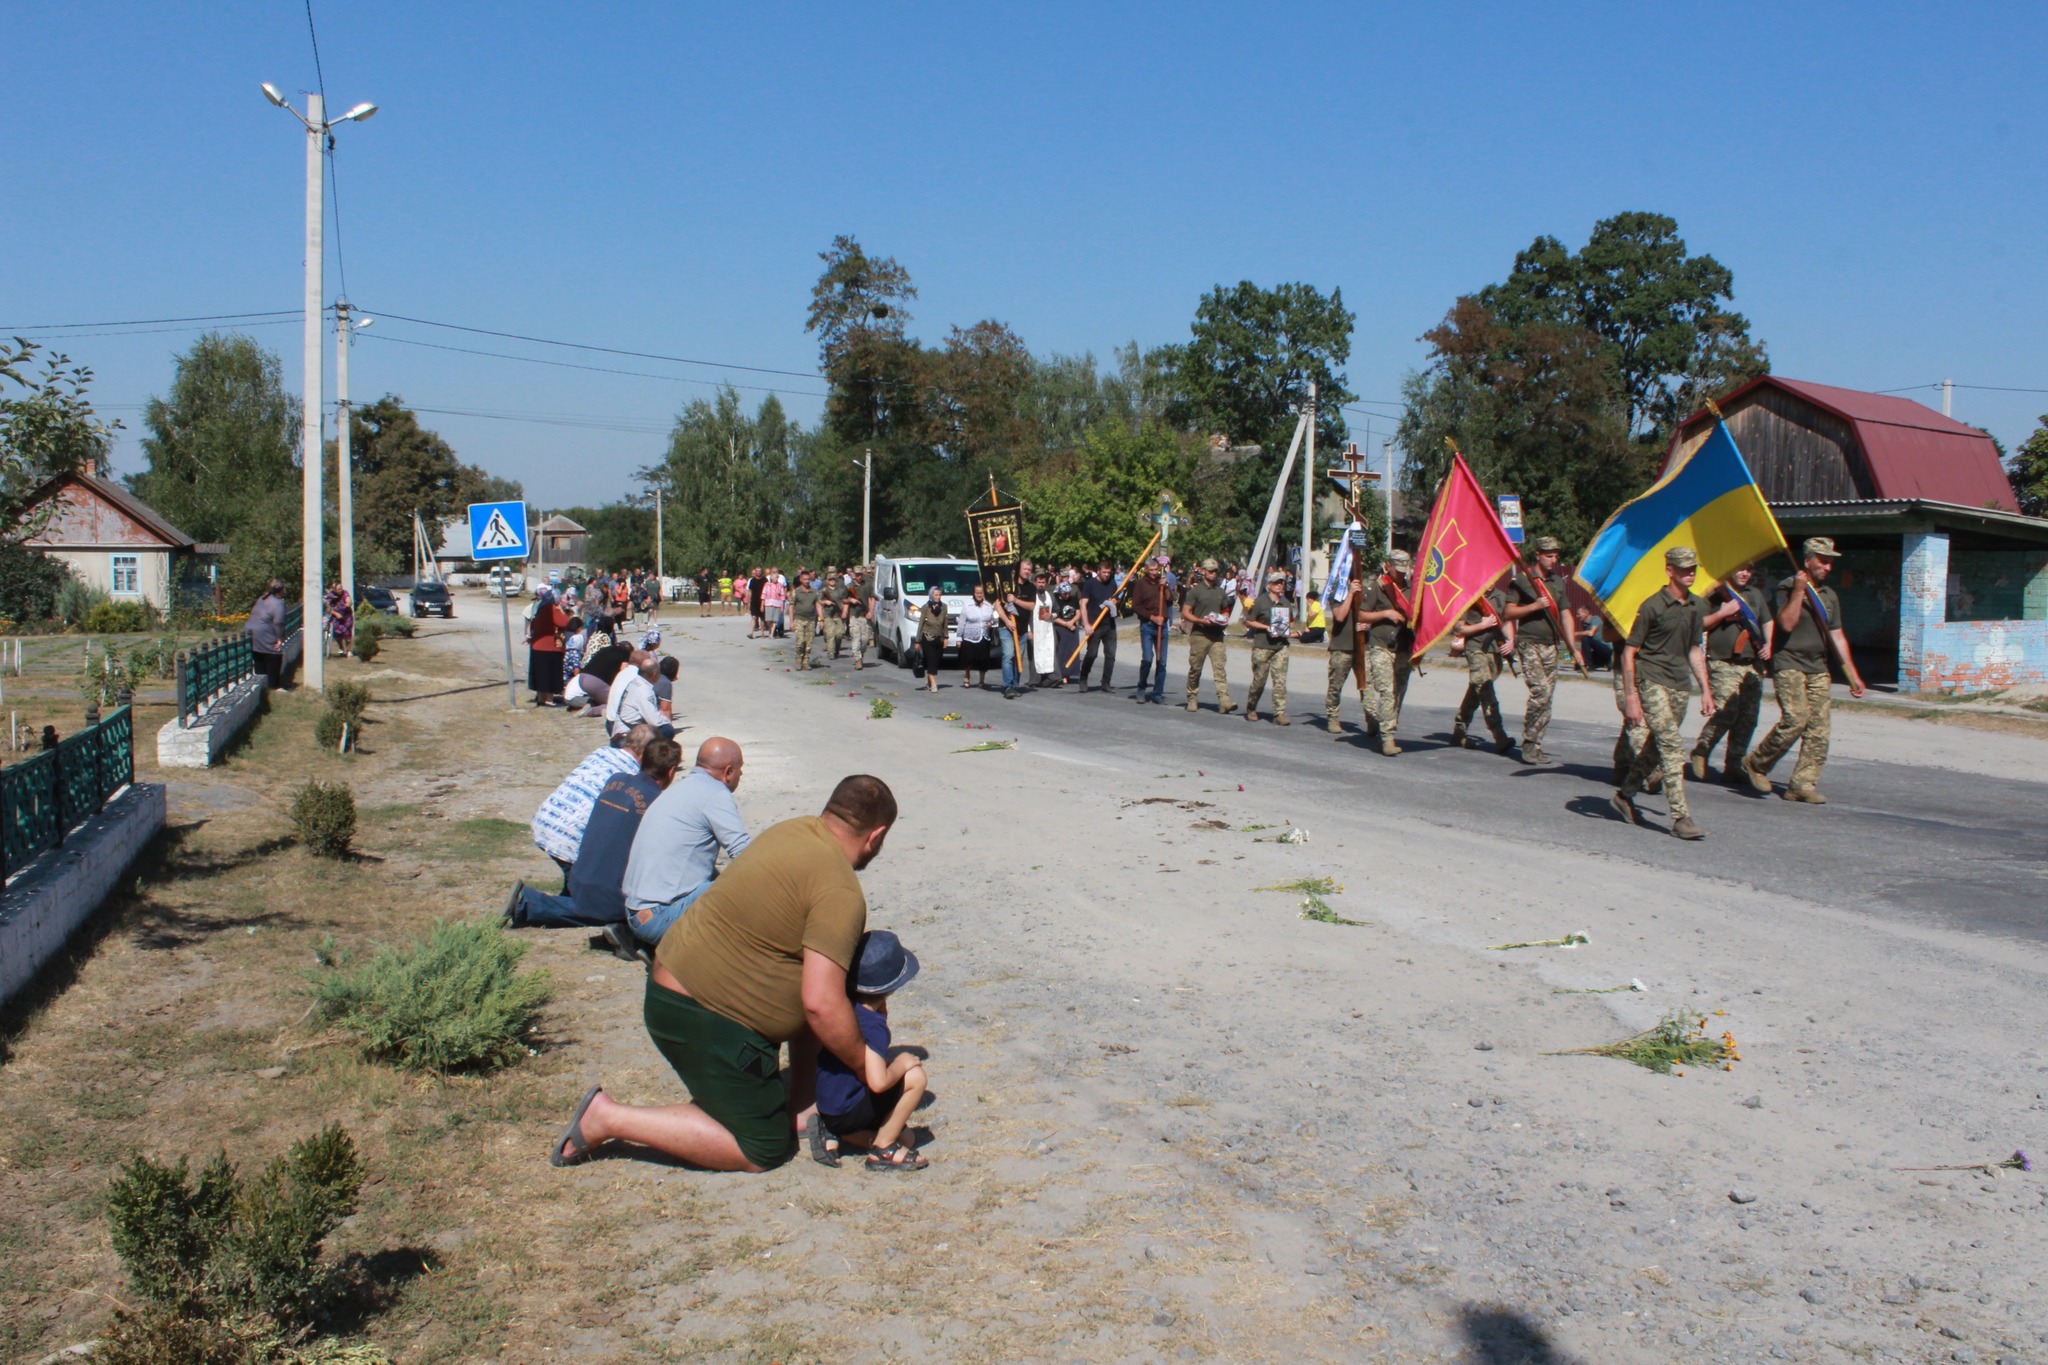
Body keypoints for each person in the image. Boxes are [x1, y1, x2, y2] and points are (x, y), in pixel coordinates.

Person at [550, 775, 899, 1174]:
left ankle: (802, 1107)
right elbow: (821, 1004)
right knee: (762, 1149)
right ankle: (607, 1118)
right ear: (877, 835)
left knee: (816, 975)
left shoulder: (793, 831)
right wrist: (864, 1065)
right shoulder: (841, 890)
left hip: (683, 984)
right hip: (699, 1014)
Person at [509, 736, 683, 953]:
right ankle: (528, 904)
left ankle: (617, 928)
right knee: (622, 912)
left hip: (580, 870)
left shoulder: (616, 780)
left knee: (595, 903)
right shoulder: (658, 803)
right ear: (671, 771)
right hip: (608, 891)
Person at [1742, 538, 1866, 802]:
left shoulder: (1829, 596)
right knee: (1796, 719)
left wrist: (1852, 676)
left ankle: (1801, 784)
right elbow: (1786, 624)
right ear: (1807, 560)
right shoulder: (1787, 587)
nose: (1827, 567)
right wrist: (1799, 590)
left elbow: (1838, 636)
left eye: (1830, 562)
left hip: (1818, 666)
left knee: (1819, 729)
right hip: (1789, 664)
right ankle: (1757, 763)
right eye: (1822, 561)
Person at [1611, 546, 1713, 840]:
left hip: (1679, 685)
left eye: (1692, 568)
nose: (1689, 573)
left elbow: (1695, 649)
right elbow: (1629, 652)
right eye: (1683, 568)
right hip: (1651, 680)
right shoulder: (1653, 606)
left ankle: (1624, 795)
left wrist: (1705, 689)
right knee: (1671, 747)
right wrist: (1631, 697)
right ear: (1669, 570)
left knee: (1655, 747)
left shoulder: (1697, 606)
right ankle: (1681, 818)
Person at [809, 930, 929, 1170]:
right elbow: (877, 1083)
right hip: (846, 1110)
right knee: (915, 1077)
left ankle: (835, 1132)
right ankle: (883, 1149)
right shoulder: (873, 1027)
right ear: (893, 986)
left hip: (829, 1103)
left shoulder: (842, 1006)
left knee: (907, 1138)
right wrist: (902, 1063)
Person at [620, 737, 751, 945]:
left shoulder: (678, 790)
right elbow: (745, 855)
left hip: (634, 911)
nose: (741, 774)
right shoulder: (716, 794)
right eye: (739, 769)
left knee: (719, 879)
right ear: (728, 772)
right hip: (660, 917)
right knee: (745, 888)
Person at [524, 723, 658, 892]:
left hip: (547, 819)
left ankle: (542, 907)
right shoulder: (631, 775)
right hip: (571, 834)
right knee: (586, 895)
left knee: (574, 885)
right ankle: (528, 904)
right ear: (646, 752)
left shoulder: (601, 752)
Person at [1501, 536, 1583, 766]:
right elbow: (1508, 612)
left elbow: (1565, 613)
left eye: (1556, 555)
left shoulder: (1557, 582)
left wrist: (1573, 646)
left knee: (1548, 698)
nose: (1553, 560)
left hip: (1551, 645)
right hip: (1530, 643)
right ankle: (1528, 742)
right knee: (1541, 692)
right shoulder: (1523, 580)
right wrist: (1534, 606)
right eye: (1548, 555)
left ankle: (1536, 745)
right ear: (1537, 554)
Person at [1690, 564, 1773, 783]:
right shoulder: (1716, 593)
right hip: (1723, 662)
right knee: (1726, 711)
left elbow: (1767, 620)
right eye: (1740, 569)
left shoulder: (1754, 595)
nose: (1745, 574)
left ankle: (1734, 762)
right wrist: (1722, 613)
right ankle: (1702, 750)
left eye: (1749, 570)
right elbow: (1699, 625)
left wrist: (1769, 644)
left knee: (1748, 716)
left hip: (1751, 664)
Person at [1356, 550, 1415, 755]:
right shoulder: (1378, 587)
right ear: (1387, 565)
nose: (1401, 574)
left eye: (1404, 569)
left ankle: (1387, 727)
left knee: (1398, 692)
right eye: (1397, 569)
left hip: (1404, 647)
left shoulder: (1412, 588)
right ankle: (1387, 738)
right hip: (1381, 646)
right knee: (1387, 691)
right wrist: (1386, 613)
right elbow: (1361, 614)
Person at [1451, 586, 1514, 752]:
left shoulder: (1501, 596)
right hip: (1475, 647)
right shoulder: (1469, 595)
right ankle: (1499, 736)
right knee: (1485, 690)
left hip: (1495, 650)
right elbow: (1458, 628)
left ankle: (1460, 729)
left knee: (1476, 690)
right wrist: (1482, 625)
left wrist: (1510, 641)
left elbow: (1506, 622)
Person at [1181, 558, 1236, 714]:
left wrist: (1224, 618)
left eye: (1215, 571)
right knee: (1195, 668)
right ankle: (1192, 697)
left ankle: (1224, 700)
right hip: (1199, 635)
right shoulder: (1196, 591)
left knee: (1220, 668)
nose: (1213, 573)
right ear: (1203, 571)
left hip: (1216, 635)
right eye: (1210, 571)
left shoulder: (1220, 591)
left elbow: (1225, 609)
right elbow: (1186, 612)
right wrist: (1200, 620)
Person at [1242, 570, 1294, 725]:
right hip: (1262, 646)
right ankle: (1251, 707)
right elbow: (1249, 621)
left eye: (1281, 582)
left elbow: (1291, 621)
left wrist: (1287, 629)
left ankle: (1279, 713)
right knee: (1259, 680)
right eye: (1277, 582)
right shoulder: (1260, 602)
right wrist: (1266, 627)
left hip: (1281, 646)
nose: (1280, 585)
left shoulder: (1285, 602)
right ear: (1269, 585)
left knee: (1280, 681)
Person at [1323, 563, 1365, 735]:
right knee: (1335, 686)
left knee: (1366, 686)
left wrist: (1367, 625)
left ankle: (1372, 719)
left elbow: (1369, 614)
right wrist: (1351, 593)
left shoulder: (1366, 591)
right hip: (1342, 647)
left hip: (1361, 646)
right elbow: (1340, 616)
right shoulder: (1337, 593)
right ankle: (1333, 717)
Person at [1130, 557, 1170, 704]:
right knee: (1148, 659)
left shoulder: (1162, 582)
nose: (1154, 572)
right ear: (1146, 570)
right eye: (1151, 570)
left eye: (1156, 569)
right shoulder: (1140, 584)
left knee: (1162, 661)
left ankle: (1157, 693)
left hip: (1163, 627)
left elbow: (1170, 600)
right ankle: (1141, 688)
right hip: (1148, 626)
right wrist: (1152, 617)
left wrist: (1165, 587)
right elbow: (1136, 606)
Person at [1076, 561, 1120, 693]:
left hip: (1109, 624)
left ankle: (1106, 682)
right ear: (1099, 571)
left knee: (1111, 655)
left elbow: (1116, 599)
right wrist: (1086, 624)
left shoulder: (1112, 583)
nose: (1107, 575)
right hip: (1094, 624)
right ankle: (1083, 678)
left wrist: (1114, 602)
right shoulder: (1090, 584)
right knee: (1092, 654)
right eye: (1104, 572)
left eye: (1109, 572)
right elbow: (1083, 604)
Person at [605, 649, 665, 742]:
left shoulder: (623, 673)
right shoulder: (638, 679)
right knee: (664, 731)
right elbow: (652, 717)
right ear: (642, 664)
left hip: (611, 721)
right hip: (623, 726)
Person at [527, 588, 571, 707]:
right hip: (550, 647)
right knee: (550, 673)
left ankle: (541, 698)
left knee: (540, 674)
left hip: (537, 646)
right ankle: (549, 699)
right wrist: (561, 610)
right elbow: (564, 623)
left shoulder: (540, 608)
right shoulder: (552, 609)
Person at [248, 580, 288, 687]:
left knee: (259, 656)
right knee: (274, 654)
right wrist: (279, 637)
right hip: (266, 633)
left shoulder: (261, 599)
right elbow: (278, 622)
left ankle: (261, 684)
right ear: (281, 591)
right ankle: (273, 685)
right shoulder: (278, 603)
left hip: (252, 633)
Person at [958, 582, 997, 689]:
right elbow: (961, 622)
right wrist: (958, 638)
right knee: (968, 659)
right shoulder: (967, 606)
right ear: (974, 593)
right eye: (977, 593)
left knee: (983, 659)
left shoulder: (989, 605)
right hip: (969, 637)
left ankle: (981, 680)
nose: (979, 595)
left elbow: (995, 618)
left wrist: (991, 623)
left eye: (981, 593)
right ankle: (967, 676)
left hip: (983, 635)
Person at [914, 584, 948, 691]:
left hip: (939, 637)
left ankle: (929, 677)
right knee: (931, 659)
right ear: (931, 595)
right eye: (936, 595)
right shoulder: (925, 608)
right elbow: (921, 624)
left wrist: (946, 637)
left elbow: (945, 623)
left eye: (939, 595)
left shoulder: (944, 607)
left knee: (937, 660)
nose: (938, 597)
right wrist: (917, 641)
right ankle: (933, 684)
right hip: (927, 637)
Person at [1048, 577, 1080, 687]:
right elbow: (1054, 616)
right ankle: (1061, 674)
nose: (1067, 595)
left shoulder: (1073, 599)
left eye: (1068, 593)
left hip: (1072, 627)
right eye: (1065, 594)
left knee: (1072, 651)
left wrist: (1072, 622)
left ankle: (1069, 674)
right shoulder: (1056, 600)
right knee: (1061, 652)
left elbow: (1078, 612)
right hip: (1060, 627)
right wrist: (1066, 624)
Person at [787, 570, 822, 670]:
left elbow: (818, 605)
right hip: (799, 619)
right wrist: (791, 622)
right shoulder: (796, 592)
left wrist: (821, 620)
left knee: (809, 643)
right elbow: (791, 607)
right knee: (800, 642)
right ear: (801, 580)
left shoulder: (814, 592)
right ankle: (799, 660)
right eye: (805, 579)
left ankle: (806, 662)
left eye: (808, 579)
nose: (807, 581)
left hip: (811, 620)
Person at [847, 567, 875, 669]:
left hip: (864, 615)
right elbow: (843, 600)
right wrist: (851, 600)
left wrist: (871, 612)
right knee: (855, 638)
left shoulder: (867, 585)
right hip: (854, 615)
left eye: (860, 575)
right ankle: (857, 659)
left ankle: (860, 655)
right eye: (857, 575)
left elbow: (872, 598)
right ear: (853, 575)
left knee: (865, 639)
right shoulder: (849, 586)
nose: (858, 577)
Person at [820, 567, 848, 662]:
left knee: (839, 634)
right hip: (828, 615)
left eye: (833, 579)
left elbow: (845, 601)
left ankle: (836, 650)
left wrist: (844, 611)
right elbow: (819, 602)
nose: (832, 581)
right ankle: (831, 653)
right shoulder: (824, 590)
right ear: (827, 580)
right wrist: (825, 602)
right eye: (830, 579)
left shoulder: (840, 590)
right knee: (830, 634)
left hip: (838, 614)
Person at [762, 569, 786, 640]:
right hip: (768, 603)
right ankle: (770, 630)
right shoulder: (767, 585)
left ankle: (772, 634)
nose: (775, 579)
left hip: (777, 604)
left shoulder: (780, 585)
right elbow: (763, 594)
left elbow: (782, 596)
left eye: (776, 578)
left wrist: (782, 606)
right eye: (773, 577)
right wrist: (762, 604)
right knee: (768, 619)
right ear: (771, 578)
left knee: (775, 620)